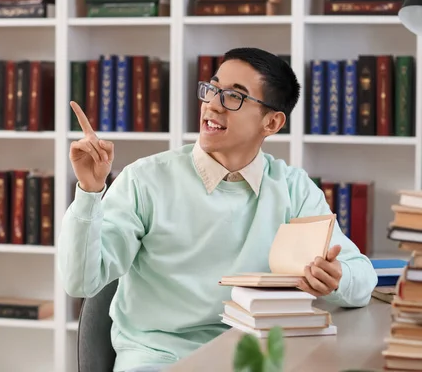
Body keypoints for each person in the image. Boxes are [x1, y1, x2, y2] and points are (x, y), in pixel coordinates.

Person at [57, 47, 377, 372]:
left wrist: (336, 280)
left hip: (254, 360)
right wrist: (89, 191)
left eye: (233, 97)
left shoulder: (293, 188)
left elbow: (363, 277)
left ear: (272, 122)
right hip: (159, 359)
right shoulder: (145, 180)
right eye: (212, 89)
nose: (211, 104)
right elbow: (80, 283)